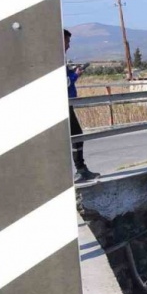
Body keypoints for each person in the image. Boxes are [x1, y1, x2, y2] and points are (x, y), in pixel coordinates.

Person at [65, 30, 99, 181]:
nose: (68, 45)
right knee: (77, 135)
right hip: (64, 103)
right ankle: (80, 169)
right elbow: (65, 82)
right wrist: (76, 74)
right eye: (67, 41)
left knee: (76, 136)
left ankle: (81, 168)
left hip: (67, 102)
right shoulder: (56, 59)